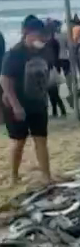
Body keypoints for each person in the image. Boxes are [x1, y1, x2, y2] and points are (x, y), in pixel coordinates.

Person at [0, 16, 51, 185]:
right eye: (36, 35)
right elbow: (5, 81)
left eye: (41, 35)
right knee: (19, 141)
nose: (40, 38)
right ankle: (14, 176)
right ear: (25, 33)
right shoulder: (14, 54)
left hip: (38, 102)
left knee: (41, 139)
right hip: (17, 103)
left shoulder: (42, 51)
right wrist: (16, 106)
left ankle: (46, 176)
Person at [45, 21, 67, 118]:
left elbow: (51, 56)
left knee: (52, 92)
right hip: (55, 67)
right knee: (53, 92)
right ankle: (58, 110)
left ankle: (59, 110)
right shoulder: (54, 41)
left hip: (51, 68)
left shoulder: (50, 43)